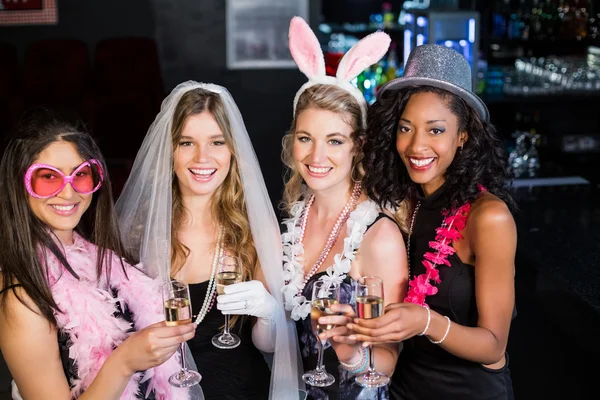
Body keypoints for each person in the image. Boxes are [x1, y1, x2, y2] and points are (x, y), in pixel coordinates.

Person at [116, 81, 301, 400]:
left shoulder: (255, 232)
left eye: (217, 142)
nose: (203, 157)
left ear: (233, 150)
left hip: (238, 389)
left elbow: (269, 345)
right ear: (169, 151)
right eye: (187, 143)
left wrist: (269, 313)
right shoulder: (137, 231)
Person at [0, 107, 199, 400]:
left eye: (81, 175)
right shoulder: (21, 296)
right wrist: (124, 363)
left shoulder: (105, 260)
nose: (68, 193)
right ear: (20, 184)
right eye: (48, 178)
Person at [353, 44, 516, 400]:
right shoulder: (402, 203)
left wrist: (425, 322)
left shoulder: (488, 217)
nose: (416, 145)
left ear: (463, 136)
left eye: (436, 131)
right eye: (406, 128)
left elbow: (493, 345)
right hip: (402, 387)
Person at [281, 17, 408, 400]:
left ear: (358, 146)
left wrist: (350, 352)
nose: (316, 156)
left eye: (334, 141)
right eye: (306, 138)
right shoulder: (294, 217)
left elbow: (389, 360)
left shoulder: (378, 236)